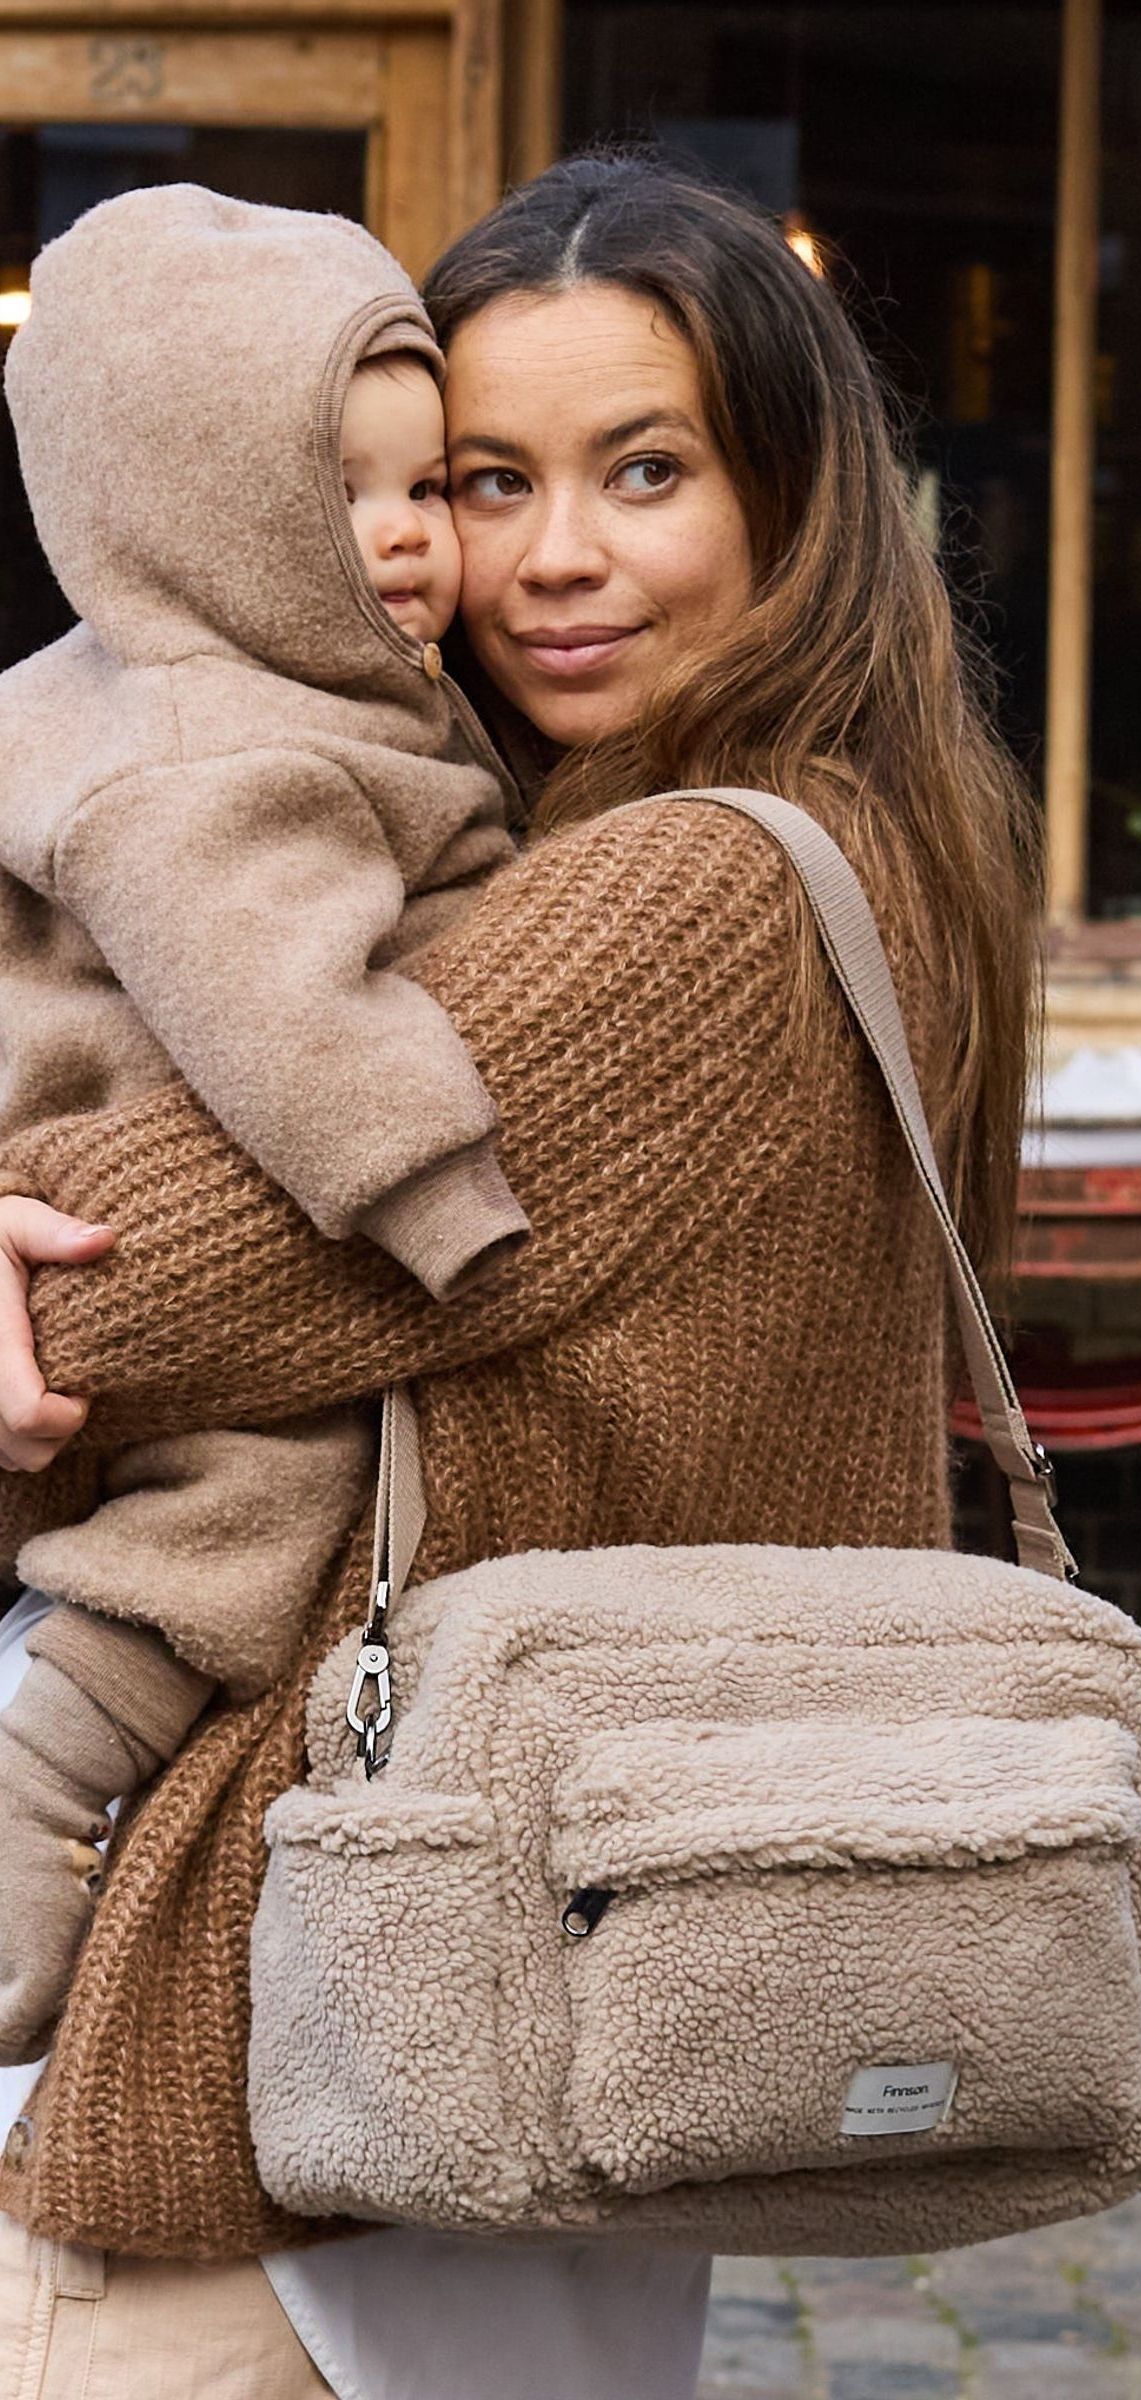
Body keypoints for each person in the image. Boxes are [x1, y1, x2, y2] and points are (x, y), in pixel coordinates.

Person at [0, 152, 1041, 2399]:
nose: (549, 557)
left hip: (298, 2160)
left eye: (643, 471)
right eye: (483, 479)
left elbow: (134, 1287)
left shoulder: (690, 904)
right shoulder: (742, 846)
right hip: (478, 2115)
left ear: (793, 499)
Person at [0, 183, 536, 2067]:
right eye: (350, 496)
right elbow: (285, 1010)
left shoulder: (154, 686)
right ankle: (46, 1759)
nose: (407, 544)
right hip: (160, 1156)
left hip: (96, 1169)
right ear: (206, 520)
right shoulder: (227, 753)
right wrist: (446, 1196)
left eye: (431, 486)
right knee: (267, 1482)